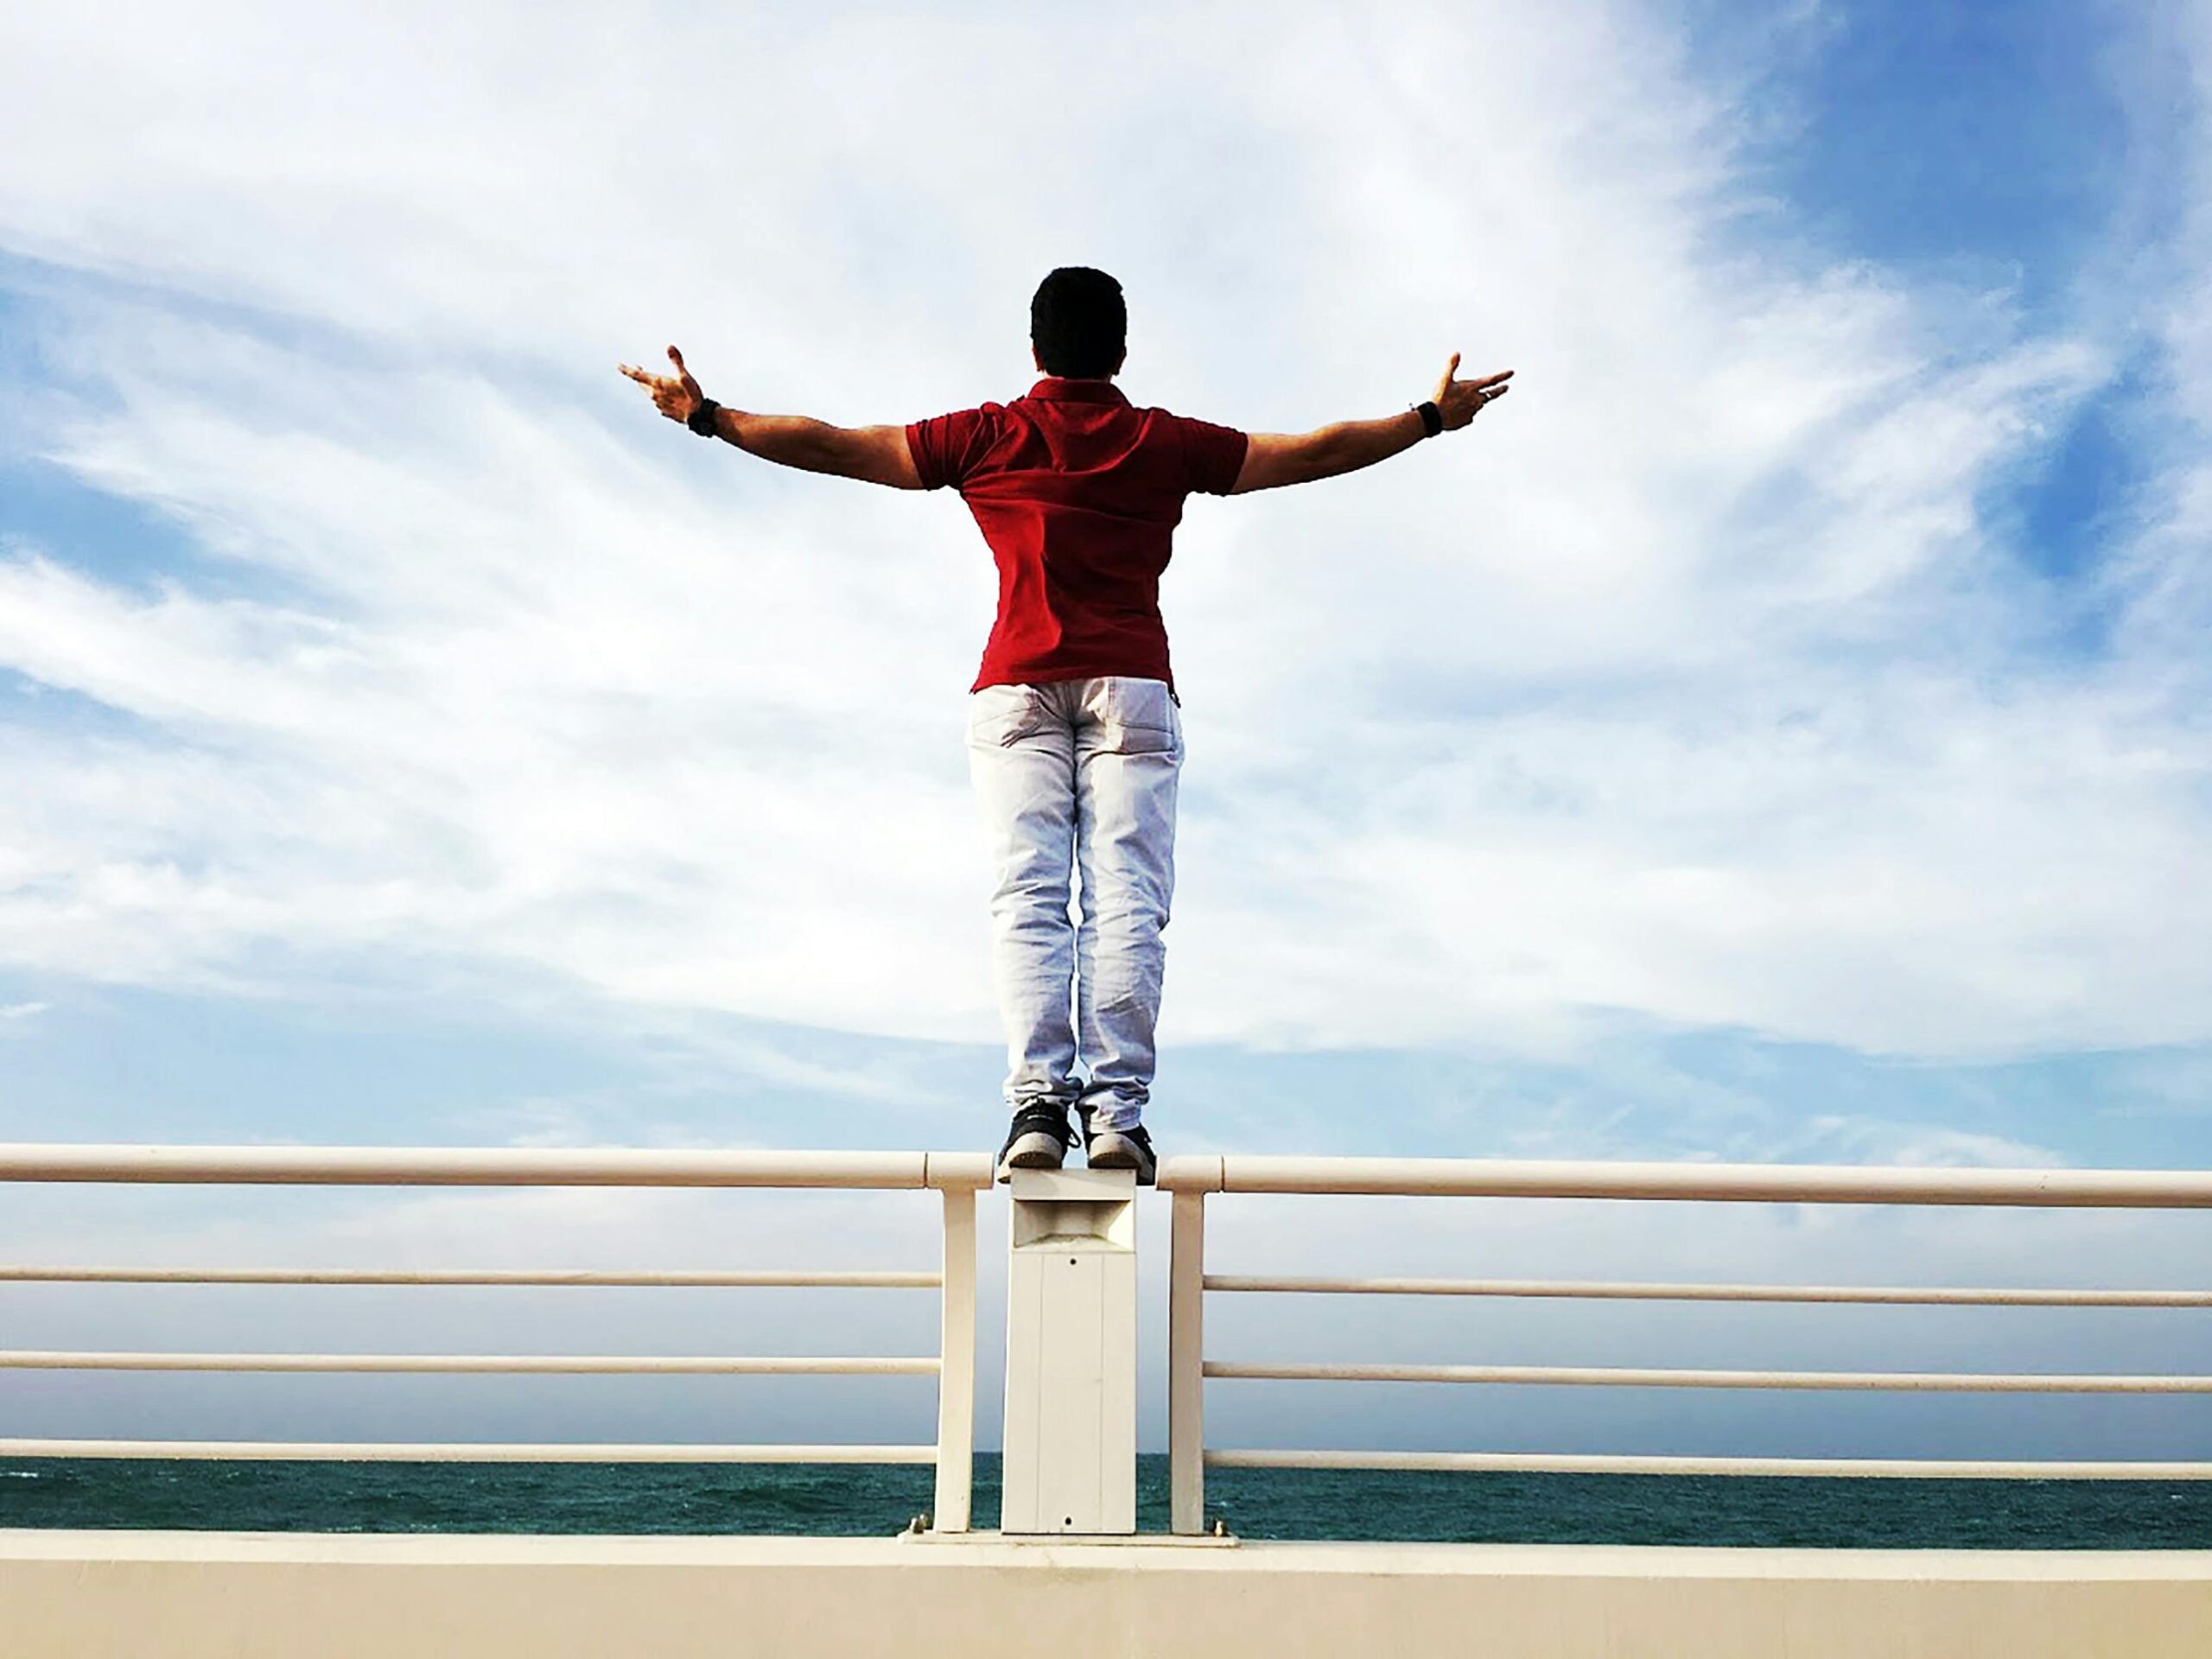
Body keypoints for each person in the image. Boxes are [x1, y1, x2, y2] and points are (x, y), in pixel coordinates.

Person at [620, 267, 1511, 1184]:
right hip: (1131, 688)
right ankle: (1117, 1115)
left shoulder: (988, 434)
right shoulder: (1161, 443)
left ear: (1035, 348)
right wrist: (1427, 419)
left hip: (1015, 690)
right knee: (1128, 898)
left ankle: (1038, 1107)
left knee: (1028, 897)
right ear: (1120, 350)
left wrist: (709, 416)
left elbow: (840, 446)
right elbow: (1308, 452)